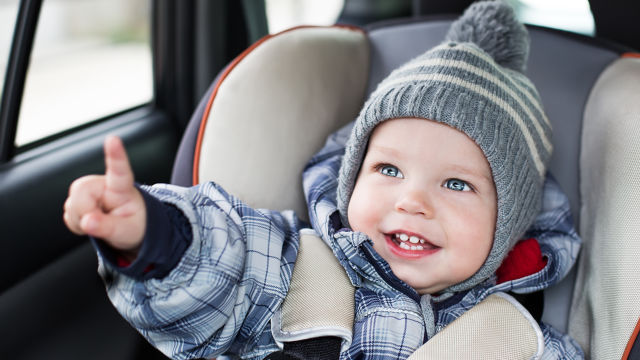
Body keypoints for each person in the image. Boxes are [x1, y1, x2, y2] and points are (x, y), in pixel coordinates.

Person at [63, 1, 583, 358]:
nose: (412, 201)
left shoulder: (518, 339)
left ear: (509, 222)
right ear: (351, 179)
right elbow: (223, 268)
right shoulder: (298, 270)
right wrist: (156, 237)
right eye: (388, 169)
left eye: (456, 184)